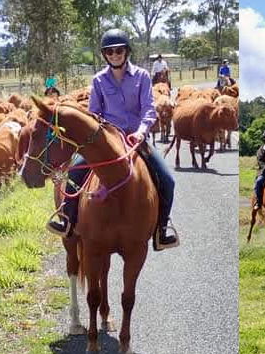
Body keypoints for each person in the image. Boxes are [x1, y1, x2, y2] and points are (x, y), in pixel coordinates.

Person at [47, 29, 178, 250]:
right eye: (110, 51)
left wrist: (141, 131)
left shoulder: (142, 76)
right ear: (104, 54)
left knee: (167, 179)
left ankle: (161, 230)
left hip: (136, 139)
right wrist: (102, 133)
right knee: (75, 171)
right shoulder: (98, 80)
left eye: (119, 50)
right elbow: (94, 112)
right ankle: (67, 221)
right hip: (106, 140)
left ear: (126, 51)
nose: (115, 55)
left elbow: (148, 109)